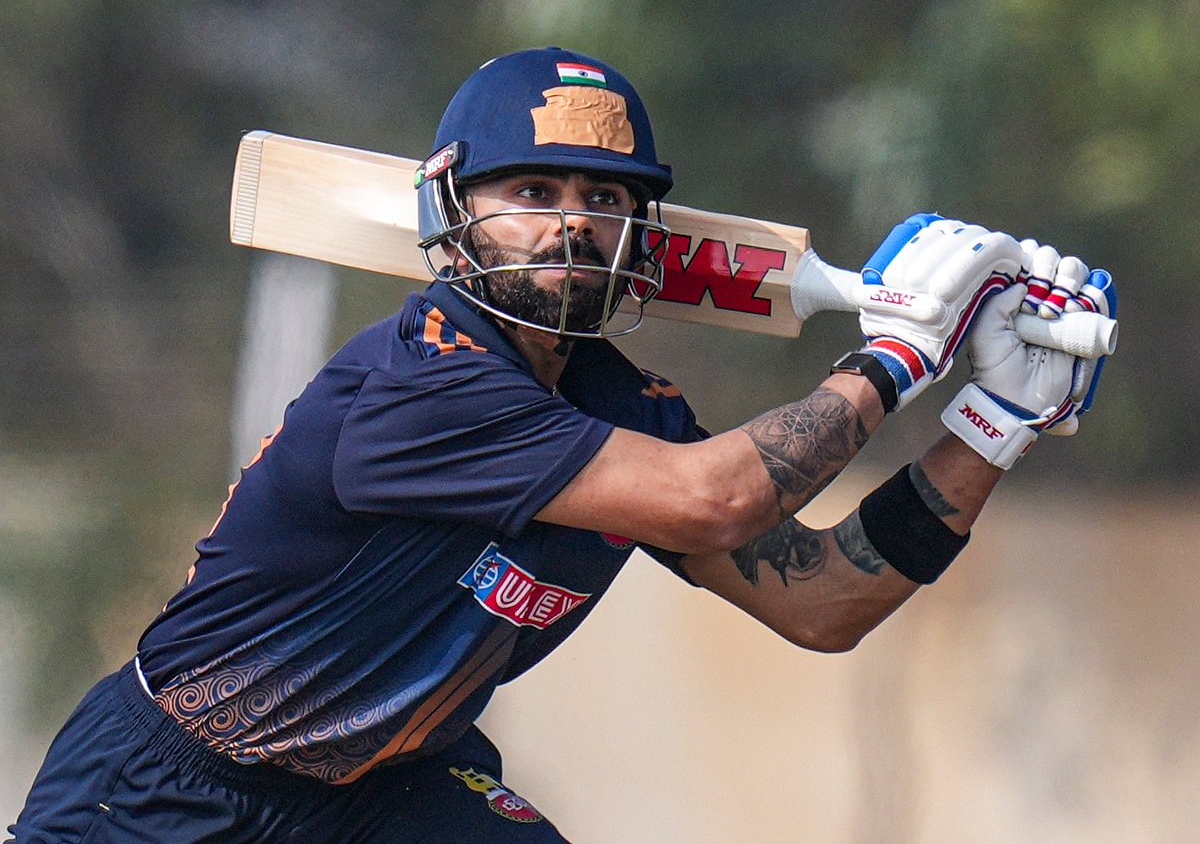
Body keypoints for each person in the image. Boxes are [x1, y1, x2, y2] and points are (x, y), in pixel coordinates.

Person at [9, 47, 1115, 843]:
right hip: (163, 794)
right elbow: (713, 499)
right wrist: (900, 357)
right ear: (452, 209)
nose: (572, 221)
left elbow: (818, 598)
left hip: (388, 793)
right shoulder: (416, 384)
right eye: (531, 190)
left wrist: (993, 424)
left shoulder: (623, 410)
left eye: (603, 197)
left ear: (642, 239)